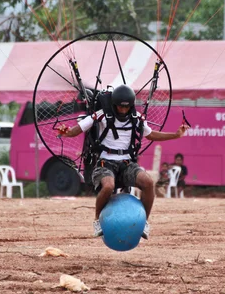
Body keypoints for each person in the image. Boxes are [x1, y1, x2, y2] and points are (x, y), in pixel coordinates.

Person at [57, 85, 189, 239]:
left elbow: (151, 134)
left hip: (126, 164)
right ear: (114, 104)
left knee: (148, 183)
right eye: (120, 107)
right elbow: (77, 129)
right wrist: (66, 132)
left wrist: (175, 135)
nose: (123, 110)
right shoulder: (101, 115)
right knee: (108, 186)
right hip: (104, 163)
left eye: (126, 107)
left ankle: (144, 222)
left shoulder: (136, 118)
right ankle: (97, 221)